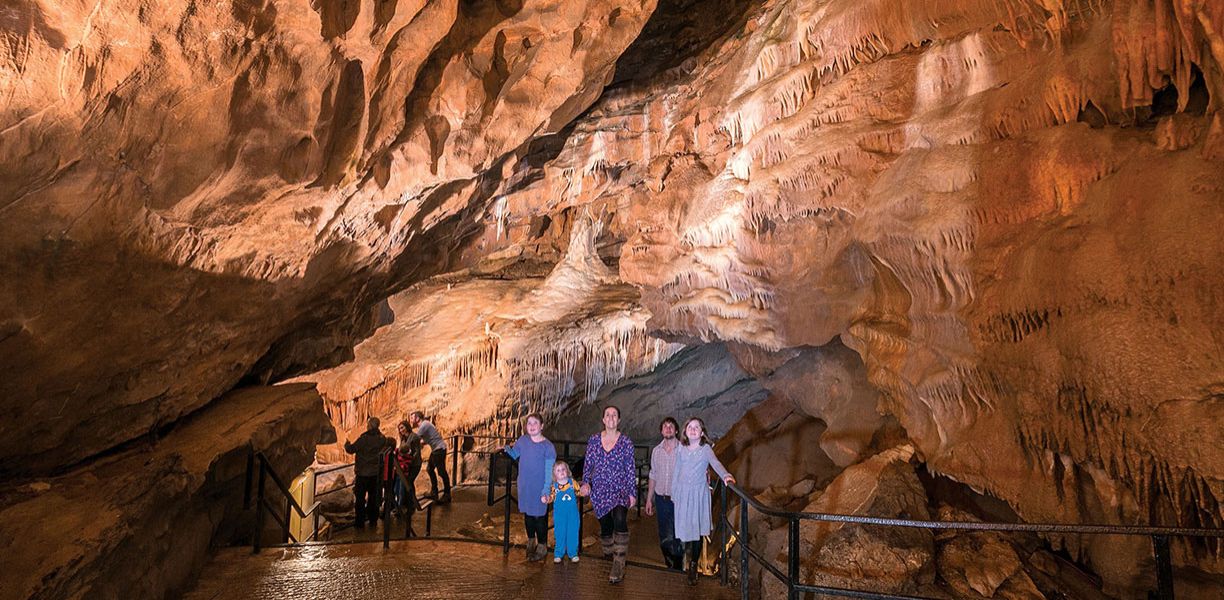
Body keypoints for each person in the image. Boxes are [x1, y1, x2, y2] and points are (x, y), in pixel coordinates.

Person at [671, 417, 735, 586]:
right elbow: (676, 470)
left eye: (696, 427)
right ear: (685, 431)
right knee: (685, 528)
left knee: (697, 530)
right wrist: (674, 492)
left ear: (702, 432)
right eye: (690, 427)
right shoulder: (681, 448)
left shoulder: (706, 449)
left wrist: (725, 475)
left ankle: (693, 565)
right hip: (684, 493)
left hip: (698, 494)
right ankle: (686, 558)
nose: (693, 429)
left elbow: (715, 463)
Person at [581, 406, 637, 584]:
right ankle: (608, 553)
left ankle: (619, 562)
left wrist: (632, 493)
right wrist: (585, 482)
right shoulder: (594, 440)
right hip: (600, 489)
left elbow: (630, 469)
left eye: (614, 415)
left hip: (620, 488)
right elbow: (588, 464)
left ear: (618, 420)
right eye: (608, 415)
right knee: (605, 525)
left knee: (620, 518)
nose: (611, 417)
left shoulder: (626, 442)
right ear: (603, 420)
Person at [503, 413, 557, 561]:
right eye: (529, 424)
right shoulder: (522, 440)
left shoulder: (548, 447)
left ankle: (542, 545)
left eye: (535, 423)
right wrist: (508, 449)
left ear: (542, 426)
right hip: (525, 484)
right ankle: (531, 540)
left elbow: (549, 471)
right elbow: (515, 454)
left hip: (540, 487)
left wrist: (546, 489)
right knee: (528, 515)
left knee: (540, 516)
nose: (532, 426)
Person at [644, 416, 684, 570]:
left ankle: (678, 566)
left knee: (678, 533)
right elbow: (653, 475)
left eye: (671, 426)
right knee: (664, 533)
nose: (668, 428)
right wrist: (649, 499)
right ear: (661, 431)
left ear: (676, 430)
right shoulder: (656, 451)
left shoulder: (683, 451)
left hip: (679, 499)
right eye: (665, 426)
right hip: (661, 499)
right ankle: (669, 563)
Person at [343, 417, 394, 528]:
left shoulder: (363, 439)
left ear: (370, 426)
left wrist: (346, 444)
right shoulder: (381, 439)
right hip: (375, 474)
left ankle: (360, 521)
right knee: (373, 498)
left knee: (360, 499)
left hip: (362, 474)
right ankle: (373, 519)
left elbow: (351, 449)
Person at [543, 460, 585, 563]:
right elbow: (551, 497)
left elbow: (579, 492)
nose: (561, 472)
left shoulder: (573, 483)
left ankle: (573, 553)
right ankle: (558, 553)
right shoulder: (554, 487)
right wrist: (547, 499)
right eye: (558, 470)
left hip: (573, 515)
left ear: (567, 471)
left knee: (573, 532)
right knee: (560, 533)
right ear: (554, 474)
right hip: (559, 515)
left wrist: (584, 491)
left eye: (563, 469)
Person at [410, 411, 451, 503]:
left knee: (441, 472)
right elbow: (426, 439)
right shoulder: (426, 424)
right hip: (437, 449)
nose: (411, 420)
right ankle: (434, 491)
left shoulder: (424, 425)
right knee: (430, 469)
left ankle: (447, 494)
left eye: (412, 418)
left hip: (439, 450)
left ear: (417, 418)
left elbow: (414, 439)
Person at [395, 419, 423, 536]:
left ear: (407, 427)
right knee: (407, 483)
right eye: (400, 428)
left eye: (402, 427)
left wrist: (409, 459)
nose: (401, 430)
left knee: (409, 482)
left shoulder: (414, 437)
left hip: (414, 464)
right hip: (407, 464)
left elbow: (417, 451)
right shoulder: (403, 438)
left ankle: (411, 505)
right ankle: (409, 504)